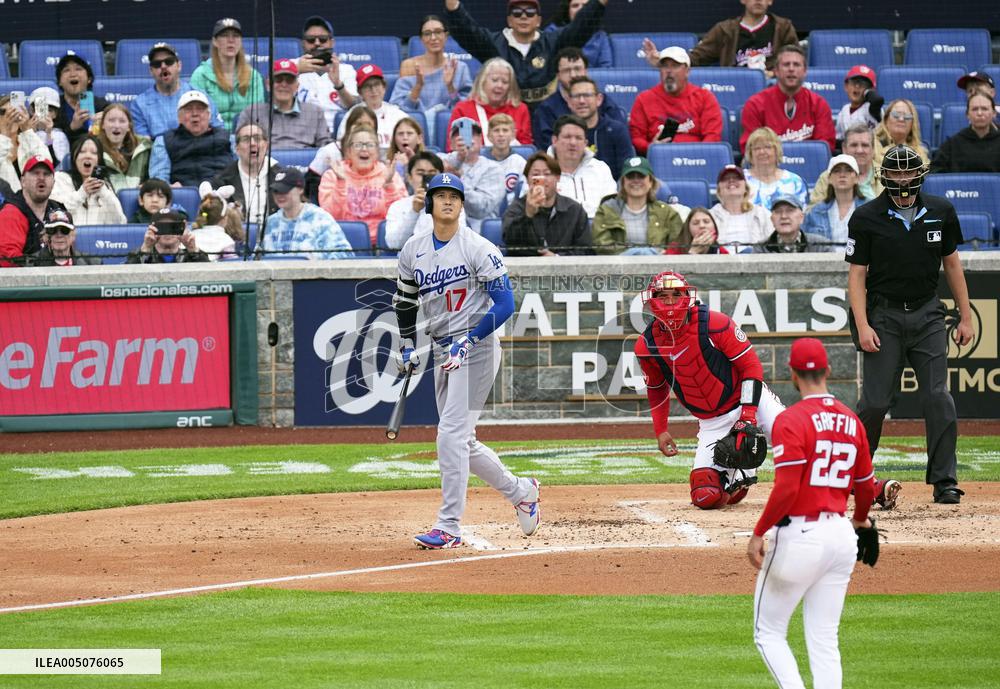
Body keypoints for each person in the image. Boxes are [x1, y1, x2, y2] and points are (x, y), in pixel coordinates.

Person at [394, 172, 540, 548]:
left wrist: (470, 339)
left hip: (477, 349)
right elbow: (406, 302)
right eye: (440, 195)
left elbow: (505, 303)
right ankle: (522, 492)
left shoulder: (478, 247)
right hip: (444, 348)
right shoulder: (413, 249)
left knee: (450, 435)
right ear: (430, 204)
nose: (448, 201)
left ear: (462, 204)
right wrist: (407, 344)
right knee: (463, 441)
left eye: (454, 196)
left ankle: (449, 526)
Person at [847, 144, 973, 505]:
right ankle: (857, 477)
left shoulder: (941, 211)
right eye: (896, 172)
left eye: (908, 172)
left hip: (928, 313)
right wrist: (863, 323)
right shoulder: (866, 216)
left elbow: (952, 265)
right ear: (884, 176)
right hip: (883, 316)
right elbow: (857, 276)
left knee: (938, 397)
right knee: (874, 402)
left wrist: (965, 316)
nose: (902, 179)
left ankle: (944, 480)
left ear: (919, 174)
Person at [748, 337, 877, 689]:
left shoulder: (791, 420)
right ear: (828, 370)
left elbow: (787, 488)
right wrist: (861, 518)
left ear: (792, 374)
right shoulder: (852, 420)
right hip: (841, 537)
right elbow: (865, 487)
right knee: (824, 639)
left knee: (768, 632)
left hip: (801, 537)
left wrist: (759, 532)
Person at [635, 270, 785, 509]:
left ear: (688, 297)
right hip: (712, 420)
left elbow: (751, 367)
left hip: (751, 401)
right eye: (663, 296)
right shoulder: (647, 345)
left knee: (798, 442)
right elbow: (656, 388)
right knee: (706, 495)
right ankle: (741, 475)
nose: (671, 302)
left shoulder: (715, 323)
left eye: (677, 294)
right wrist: (661, 430)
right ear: (652, 301)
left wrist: (748, 415)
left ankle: (858, 484)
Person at [444, 0, 610, 109]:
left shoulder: (553, 42)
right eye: (517, 12)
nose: (523, 16)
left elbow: (582, 25)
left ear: (538, 20)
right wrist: (453, 7)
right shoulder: (494, 44)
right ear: (509, 20)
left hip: (547, 115)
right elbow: (467, 31)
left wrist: (600, 3)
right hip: (506, 118)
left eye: (530, 12)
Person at [319, 125, 407, 245]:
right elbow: (329, 216)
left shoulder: (389, 175)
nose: (364, 149)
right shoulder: (333, 175)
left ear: (377, 151)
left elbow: (400, 217)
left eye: (370, 145)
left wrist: (389, 187)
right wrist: (340, 184)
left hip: (383, 244)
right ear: (348, 151)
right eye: (358, 145)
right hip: (342, 242)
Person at [391, 14, 474, 141]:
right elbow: (399, 111)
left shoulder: (458, 67)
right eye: (427, 33)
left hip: (451, 133)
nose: (433, 38)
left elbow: (465, 111)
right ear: (421, 39)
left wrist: (450, 87)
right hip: (415, 134)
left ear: (446, 35)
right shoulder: (409, 66)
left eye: (438, 32)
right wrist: (417, 87)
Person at [658, 0, 799, 74]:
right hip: (734, 84)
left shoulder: (783, 27)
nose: (758, 0)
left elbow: (795, 59)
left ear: (770, 0)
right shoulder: (725, 29)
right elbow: (697, 57)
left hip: (770, 85)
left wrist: (773, 73)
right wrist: (663, 59)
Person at [740, 45, 835, 154]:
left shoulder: (819, 104)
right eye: (786, 64)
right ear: (776, 71)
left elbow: (823, 149)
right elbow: (750, 148)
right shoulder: (755, 104)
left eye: (796, 65)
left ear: (805, 71)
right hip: (768, 167)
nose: (791, 69)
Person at [629, 46, 724, 155]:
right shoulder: (644, 99)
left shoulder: (705, 97)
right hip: (660, 158)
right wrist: (652, 148)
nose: (669, 71)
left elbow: (713, 136)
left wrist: (698, 155)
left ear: (687, 71)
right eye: (664, 66)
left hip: (697, 159)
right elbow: (636, 138)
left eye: (675, 66)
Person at [532, 47, 626, 147]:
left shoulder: (603, 101)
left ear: (585, 71)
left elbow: (619, 134)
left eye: (577, 69)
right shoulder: (546, 109)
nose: (573, 75)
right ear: (558, 75)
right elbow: (547, 148)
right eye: (566, 70)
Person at [130, 42, 224, 139]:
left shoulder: (200, 96)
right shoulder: (140, 104)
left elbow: (219, 132)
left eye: (169, 61)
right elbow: (143, 145)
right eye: (157, 64)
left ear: (179, 65)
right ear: (151, 71)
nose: (163, 66)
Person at [503, 151, 591, 255]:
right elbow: (510, 243)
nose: (542, 179)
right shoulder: (516, 207)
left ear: (557, 177)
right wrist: (528, 215)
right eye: (536, 175)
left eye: (547, 174)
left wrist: (557, 258)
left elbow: (586, 250)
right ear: (527, 179)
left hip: (565, 270)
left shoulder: (575, 210)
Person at [592, 155, 682, 254]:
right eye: (630, 176)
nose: (636, 180)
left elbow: (677, 246)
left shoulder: (667, 213)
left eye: (641, 176)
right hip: (618, 268)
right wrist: (633, 254)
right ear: (623, 182)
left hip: (658, 267)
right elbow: (601, 246)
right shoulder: (606, 211)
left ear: (651, 181)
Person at [235, 59, 331, 150]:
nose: (284, 85)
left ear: (297, 86)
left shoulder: (315, 112)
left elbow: (326, 147)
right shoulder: (251, 112)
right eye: (278, 80)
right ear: (268, 84)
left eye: (289, 80)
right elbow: (240, 145)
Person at [190, 17, 265, 132]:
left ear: (240, 41)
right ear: (215, 41)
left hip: (245, 137)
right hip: (211, 136)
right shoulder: (200, 75)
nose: (231, 40)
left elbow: (257, 116)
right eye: (225, 35)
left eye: (235, 36)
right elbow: (197, 116)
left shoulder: (254, 76)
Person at [261, 167, 354, 259]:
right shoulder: (270, 223)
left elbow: (345, 255)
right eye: (276, 191)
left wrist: (315, 262)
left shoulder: (320, 218)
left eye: (285, 190)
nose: (279, 195)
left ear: (300, 189)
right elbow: (257, 259)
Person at [384, 151, 469, 250]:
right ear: (409, 178)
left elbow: (459, 242)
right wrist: (414, 212)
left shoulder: (452, 204)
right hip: (409, 262)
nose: (426, 179)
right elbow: (393, 244)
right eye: (420, 173)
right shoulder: (397, 206)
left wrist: (437, 208)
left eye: (432, 174)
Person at [149, 90, 234, 188]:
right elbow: (159, 181)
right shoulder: (164, 141)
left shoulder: (228, 138)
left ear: (209, 115)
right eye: (188, 110)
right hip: (184, 196)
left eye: (200, 109)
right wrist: (168, 188)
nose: (195, 114)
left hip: (223, 192)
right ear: (179, 117)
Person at [447, 57, 533, 148]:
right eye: (494, 80)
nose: (500, 85)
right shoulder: (463, 109)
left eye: (505, 82)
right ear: (482, 82)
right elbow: (452, 149)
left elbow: (526, 150)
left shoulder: (520, 109)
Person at [295, 15, 359, 133]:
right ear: (303, 43)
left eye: (323, 39)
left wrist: (338, 84)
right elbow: (272, 90)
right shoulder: (293, 66)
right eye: (311, 40)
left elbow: (353, 106)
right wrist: (296, 71)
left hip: (339, 132)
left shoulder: (346, 70)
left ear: (332, 42)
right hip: (302, 132)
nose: (317, 43)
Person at [0, 156, 66, 266]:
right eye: (35, 173)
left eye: (46, 174)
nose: (41, 178)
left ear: (53, 182)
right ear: (23, 181)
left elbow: (71, 253)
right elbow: (8, 262)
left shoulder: (58, 210)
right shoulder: (11, 213)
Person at [548, 113, 617, 218]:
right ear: (555, 140)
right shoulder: (540, 170)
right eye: (567, 137)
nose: (573, 142)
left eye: (578, 138)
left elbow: (612, 208)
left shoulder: (600, 169)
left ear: (585, 143)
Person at [441, 118, 504, 231]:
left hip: (478, 234)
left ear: (480, 139)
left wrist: (458, 182)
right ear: (451, 142)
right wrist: (458, 159)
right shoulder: (441, 162)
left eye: (473, 134)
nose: (467, 139)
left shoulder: (493, 169)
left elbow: (482, 210)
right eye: (460, 135)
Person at [210, 122, 279, 225]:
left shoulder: (281, 176)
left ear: (266, 145)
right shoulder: (222, 181)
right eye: (246, 139)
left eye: (257, 138)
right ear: (237, 148)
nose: (252, 143)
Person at [50, 135, 127, 225]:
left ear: (99, 160)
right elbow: (55, 213)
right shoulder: (60, 179)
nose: (88, 156)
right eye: (82, 152)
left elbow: (120, 222)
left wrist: (104, 193)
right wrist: (82, 193)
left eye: (94, 153)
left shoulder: (105, 187)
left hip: (98, 238)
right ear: (74, 157)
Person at [567, 76, 634, 176]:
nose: (582, 101)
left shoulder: (617, 130)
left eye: (587, 95)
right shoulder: (563, 133)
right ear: (569, 102)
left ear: (599, 99)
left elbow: (626, 173)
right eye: (576, 96)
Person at [306, 105, 377, 200]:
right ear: (349, 126)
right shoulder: (330, 151)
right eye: (358, 124)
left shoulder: (376, 152)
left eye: (368, 125)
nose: (362, 128)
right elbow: (311, 182)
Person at [334, 64, 409, 153]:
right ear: (360, 92)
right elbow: (342, 148)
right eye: (367, 86)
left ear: (384, 87)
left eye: (377, 84)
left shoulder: (398, 115)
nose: (373, 90)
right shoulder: (352, 115)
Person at [802, 155, 866, 247]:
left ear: (857, 178)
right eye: (836, 171)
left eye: (848, 170)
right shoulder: (814, 212)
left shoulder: (871, 210)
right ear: (829, 179)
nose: (842, 175)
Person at [810, 124, 883, 204]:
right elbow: (813, 211)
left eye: (865, 145)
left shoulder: (886, 175)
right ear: (844, 148)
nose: (859, 150)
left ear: (873, 149)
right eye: (854, 145)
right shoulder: (827, 177)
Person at [931, 92, 1000, 174]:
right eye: (975, 109)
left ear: (994, 113)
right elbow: (935, 172)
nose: (979, 113)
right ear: (967, 114)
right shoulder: (952, 144)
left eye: (984, 109)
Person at [710, 164, 772, 252]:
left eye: (737, 178)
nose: (731, 180)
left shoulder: (762, 214)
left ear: (746, 188)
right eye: (725, 179)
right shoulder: (710, 217)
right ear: (719, 190)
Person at [743, 126, 807, 210]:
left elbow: (800, 215)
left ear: (777, 150)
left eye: (767, 147)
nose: (762, 152)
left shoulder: (794, 181)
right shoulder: (740, 180)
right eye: (757, 148)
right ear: (750, 154)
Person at [53, 53, 108, 150]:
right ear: (59, 82)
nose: (73, 74)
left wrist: (107, 124)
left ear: (89, 79)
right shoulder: (54, 108)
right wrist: (72, 129)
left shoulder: (103, 106)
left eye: (78, 69)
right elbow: (52, 146)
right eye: (66, 70)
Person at [0, 95, 50, 193]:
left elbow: (46, 162)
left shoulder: (29, 141)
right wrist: (4, 134)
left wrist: (27, 130)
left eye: (15, 111)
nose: (11, 116)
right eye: (4, 112)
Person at [95, 103, 151, 192]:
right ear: (103, 125)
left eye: (122, 121)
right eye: (111, 120)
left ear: (129, 126)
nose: (117, 126)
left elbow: (153, 179)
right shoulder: (94, 150)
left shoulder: (143, 148)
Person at [127, 208, 210, 263]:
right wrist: (146, 248)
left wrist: (193, 250)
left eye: (173, 227)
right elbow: (125, 278)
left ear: (182, 229)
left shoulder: (192, 256)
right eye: (162, 227)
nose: (168, 232)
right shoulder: (139, 255)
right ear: (152, 229)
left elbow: (211, 276)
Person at [760, 193, 831, 253]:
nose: (783, 216)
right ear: (772, 219)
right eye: (778, 211)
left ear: (802, 217)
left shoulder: (822, 246)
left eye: (790, 211)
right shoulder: (761, 249)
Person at [29, 209, 100, 266]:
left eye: (65, 230)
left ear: (73, 235)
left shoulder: (93, 263)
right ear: (46, 236)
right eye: (53, 230)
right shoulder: (32, 263)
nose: (59, 235)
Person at [484, 112, 527, 208]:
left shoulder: (520, 162)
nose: (501, 134)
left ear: (513, 135)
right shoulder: (481, 162)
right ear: (489, 136)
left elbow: (526, 191)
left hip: (513, 213)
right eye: (496, 130)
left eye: (505, 130)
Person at [872, 99, 929, 167]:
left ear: (912, 124)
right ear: (886, 120)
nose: (901, 119)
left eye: (907, 116)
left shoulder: (920, 153)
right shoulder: (872, 145)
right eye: (896, 115)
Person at [834, 65, 883, 145]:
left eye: (863, 84)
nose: (857, 86)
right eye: (854, 82)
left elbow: (877, 100)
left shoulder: (873, 108)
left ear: (870, 89)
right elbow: (838, 138)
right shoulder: (844, 110)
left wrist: (868, 93)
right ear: (846, 86)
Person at [28, 86, 69, 167]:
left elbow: (57, 164)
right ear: (32, 111)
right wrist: (30, 134)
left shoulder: (60, 136)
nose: (45, 114)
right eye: (41, 109)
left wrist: (49, 136)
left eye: (49, 110)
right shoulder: (25, 133)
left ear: (55, 114)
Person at [665, 206, 730, 254]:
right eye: (695, 223)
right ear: (688, 228)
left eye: (706, 221)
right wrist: (693, 252)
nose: (702, 226)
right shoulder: (675, 248)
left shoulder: (720, 251)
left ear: (714, 227)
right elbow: (667, 271)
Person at [387, 117, 427, 187]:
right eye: (400, 134)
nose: (405, 137)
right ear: (394, 139)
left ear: (419, 139)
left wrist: (413, 163)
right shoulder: (386, 163)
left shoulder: (429, 162)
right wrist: (398, 167)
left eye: (409, 133)